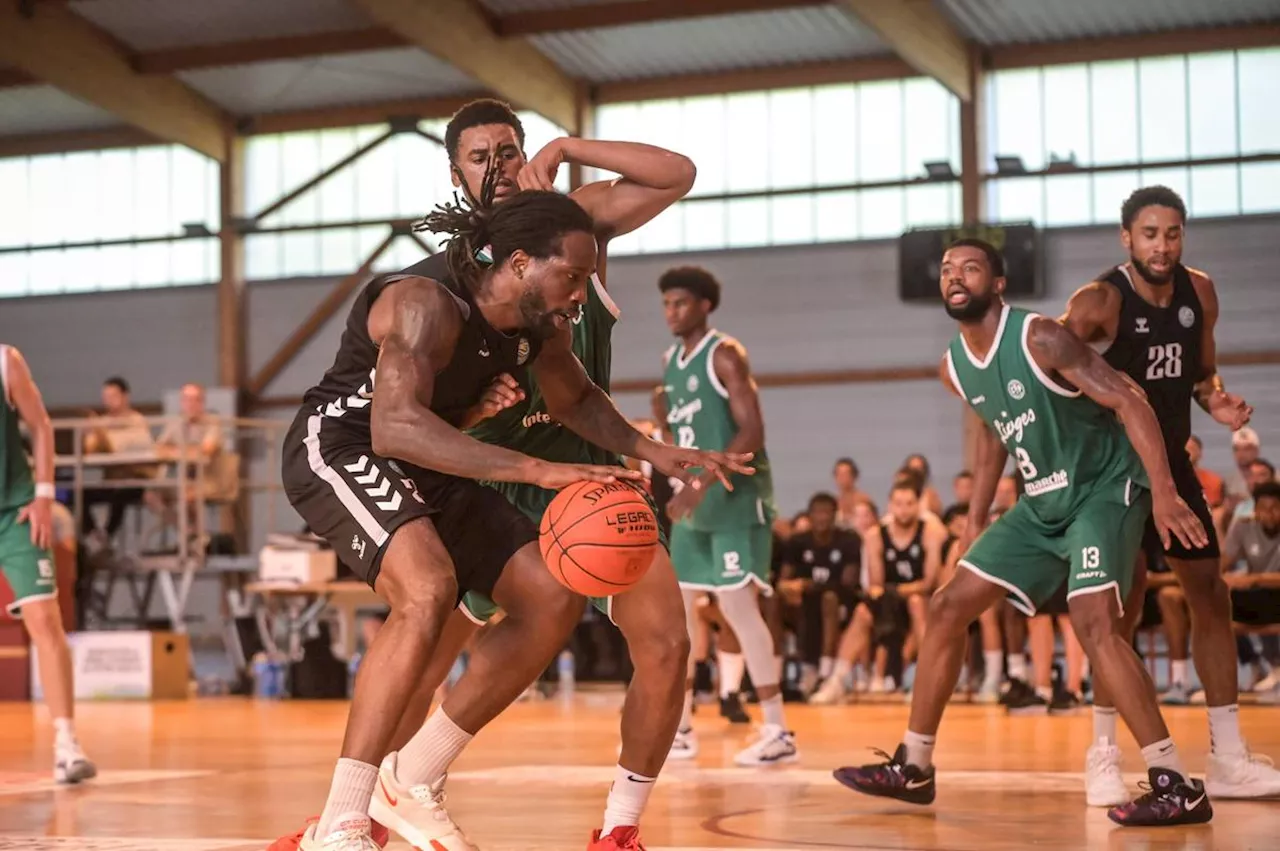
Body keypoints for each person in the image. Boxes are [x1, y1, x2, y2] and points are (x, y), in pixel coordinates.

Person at [279, 181, 744, 851]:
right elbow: (395, 424)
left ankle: (411, 776)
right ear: (522, 262)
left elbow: (575, 398)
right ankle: (344, 821)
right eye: (573, 275)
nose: (582, 293)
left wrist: (653, 450)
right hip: (344, 445)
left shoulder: (536, 325)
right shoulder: (424, 302)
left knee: (550, 596)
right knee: (428, 588)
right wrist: (537, 470)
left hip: (431, 458)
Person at [835, 238, 1212, 827]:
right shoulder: (954, 366)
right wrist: (976, 520)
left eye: (970, 268)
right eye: (946, 270)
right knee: (946, 606)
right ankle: (915, 766)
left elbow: (1131, 399)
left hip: (1103, 488)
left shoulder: (1040, 336)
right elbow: (992, 433)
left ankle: (1174, 782)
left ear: (998, 282)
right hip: (1041, 503)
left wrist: (1163, 491)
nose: (955, 277)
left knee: (1093, 622)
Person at [1061, 184, 1280, 800]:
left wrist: (1218, 402)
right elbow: (1047, 367)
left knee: (1211, 595)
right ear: (1126, 237)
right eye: (1150, 234)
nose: (1163, 245)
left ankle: (1229, 757)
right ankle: (1103, 752)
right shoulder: (1098, 302)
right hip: (1113, 472)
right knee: (1121, 609)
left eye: (1173, 233)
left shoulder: (1200, 291)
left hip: (1174, 466)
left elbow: (1201, 373)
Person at [659, 266, 796, 766]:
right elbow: (680, 429)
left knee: (739, 611)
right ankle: (680, 727)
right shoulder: (670, 362)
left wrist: (697, 484)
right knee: (681, 614)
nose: (671, 312)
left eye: (680, 303)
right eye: (666, 304)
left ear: (704, 306)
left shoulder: (724, 354)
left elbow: (752, 430)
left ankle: (777, 730)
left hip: (736, 501)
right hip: (694, 504)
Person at [0, 345, 96, 784]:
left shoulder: (6, 361)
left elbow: (40, 424)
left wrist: (42, 494)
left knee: (44, 617)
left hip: (16, 509)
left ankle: (66, 743)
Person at [773, 492, 862, 698]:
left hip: (839, 605)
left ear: (835, 515)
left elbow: (847, 584)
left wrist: (809, 585)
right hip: (803, 605)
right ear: (809, 515)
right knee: (776, 601)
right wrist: (789, 587)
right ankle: (778, 676)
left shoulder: (849, 540)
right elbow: (784, 581)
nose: (822, 518)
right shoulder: (797, 542)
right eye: (817, 513)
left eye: (826, 513)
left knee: (828, 599)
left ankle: (825, 673)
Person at [833, 458, 866, 529]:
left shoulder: (863, 500)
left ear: (854, 476)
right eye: (838, 474)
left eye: (845, 474)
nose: (841, 478)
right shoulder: (834, 501)